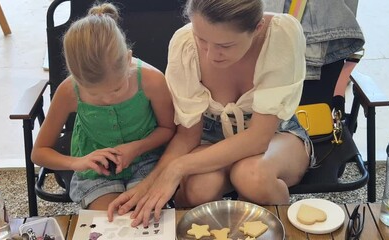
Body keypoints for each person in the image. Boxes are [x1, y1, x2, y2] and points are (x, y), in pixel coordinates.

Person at [108, 0, 315, 226]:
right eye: (202, 39)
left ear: (257, 28)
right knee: (199, 188)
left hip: (276, 135)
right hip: (210, 134)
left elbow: (258, 139)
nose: (210, 55)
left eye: (225, 45)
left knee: (252, 176)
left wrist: (178, 168)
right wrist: (150, 183)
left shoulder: (281, 34)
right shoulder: (184, 43)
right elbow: (188, 136)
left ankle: (279, 231)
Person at [31, 3, 175, 210]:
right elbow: (39, 153)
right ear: (75, 78)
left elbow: (169, 129)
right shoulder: (69, 90)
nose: (107, 99)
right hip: (94, 170)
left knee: (143, 215)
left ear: (128, 59)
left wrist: (136, 147)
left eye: (116, 89)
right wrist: (77, 162)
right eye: (94, 93)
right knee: (108, 221)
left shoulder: (152, 81)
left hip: (147, 160)